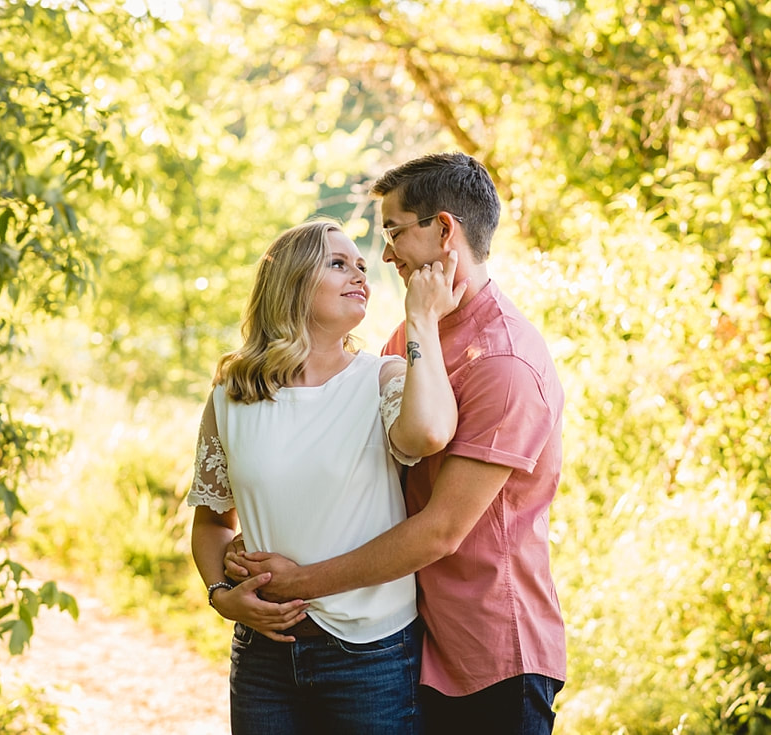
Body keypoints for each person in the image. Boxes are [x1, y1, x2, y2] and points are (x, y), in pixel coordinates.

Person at [227, 153, 567, 734]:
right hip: (411, 641)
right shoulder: (414, 333)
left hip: (488, 653)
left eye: (392, 232)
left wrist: (293, 584)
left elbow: (440, 529)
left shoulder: (503, 364)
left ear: (443, 229)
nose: (384, 256)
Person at [186, 218, 466, 735]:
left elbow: (428, 435)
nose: (360, 274)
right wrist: (222, 595)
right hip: (264, 654)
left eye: (361, 265)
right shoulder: (232, 395)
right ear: (290, 283)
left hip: (372, 655)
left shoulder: (381, 377)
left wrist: (421, 322)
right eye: (338, 264)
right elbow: (211, 521)